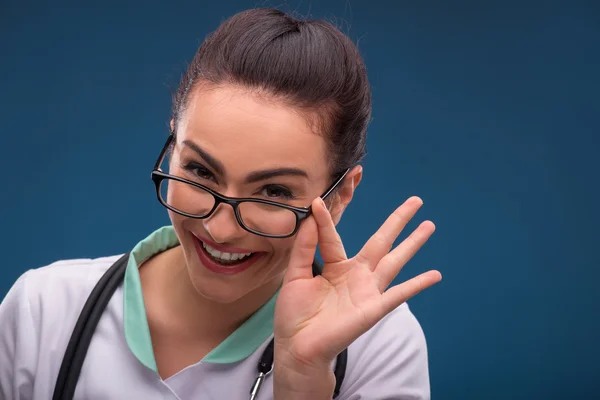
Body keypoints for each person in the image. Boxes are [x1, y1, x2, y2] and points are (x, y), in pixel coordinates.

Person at [0, 7, 442, 400]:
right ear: (173, 145)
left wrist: (303, 378)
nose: (222, 229)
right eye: (201, 171)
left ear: (341, 194)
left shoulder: (377, 347)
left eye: (274, 192)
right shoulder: (43, 312)